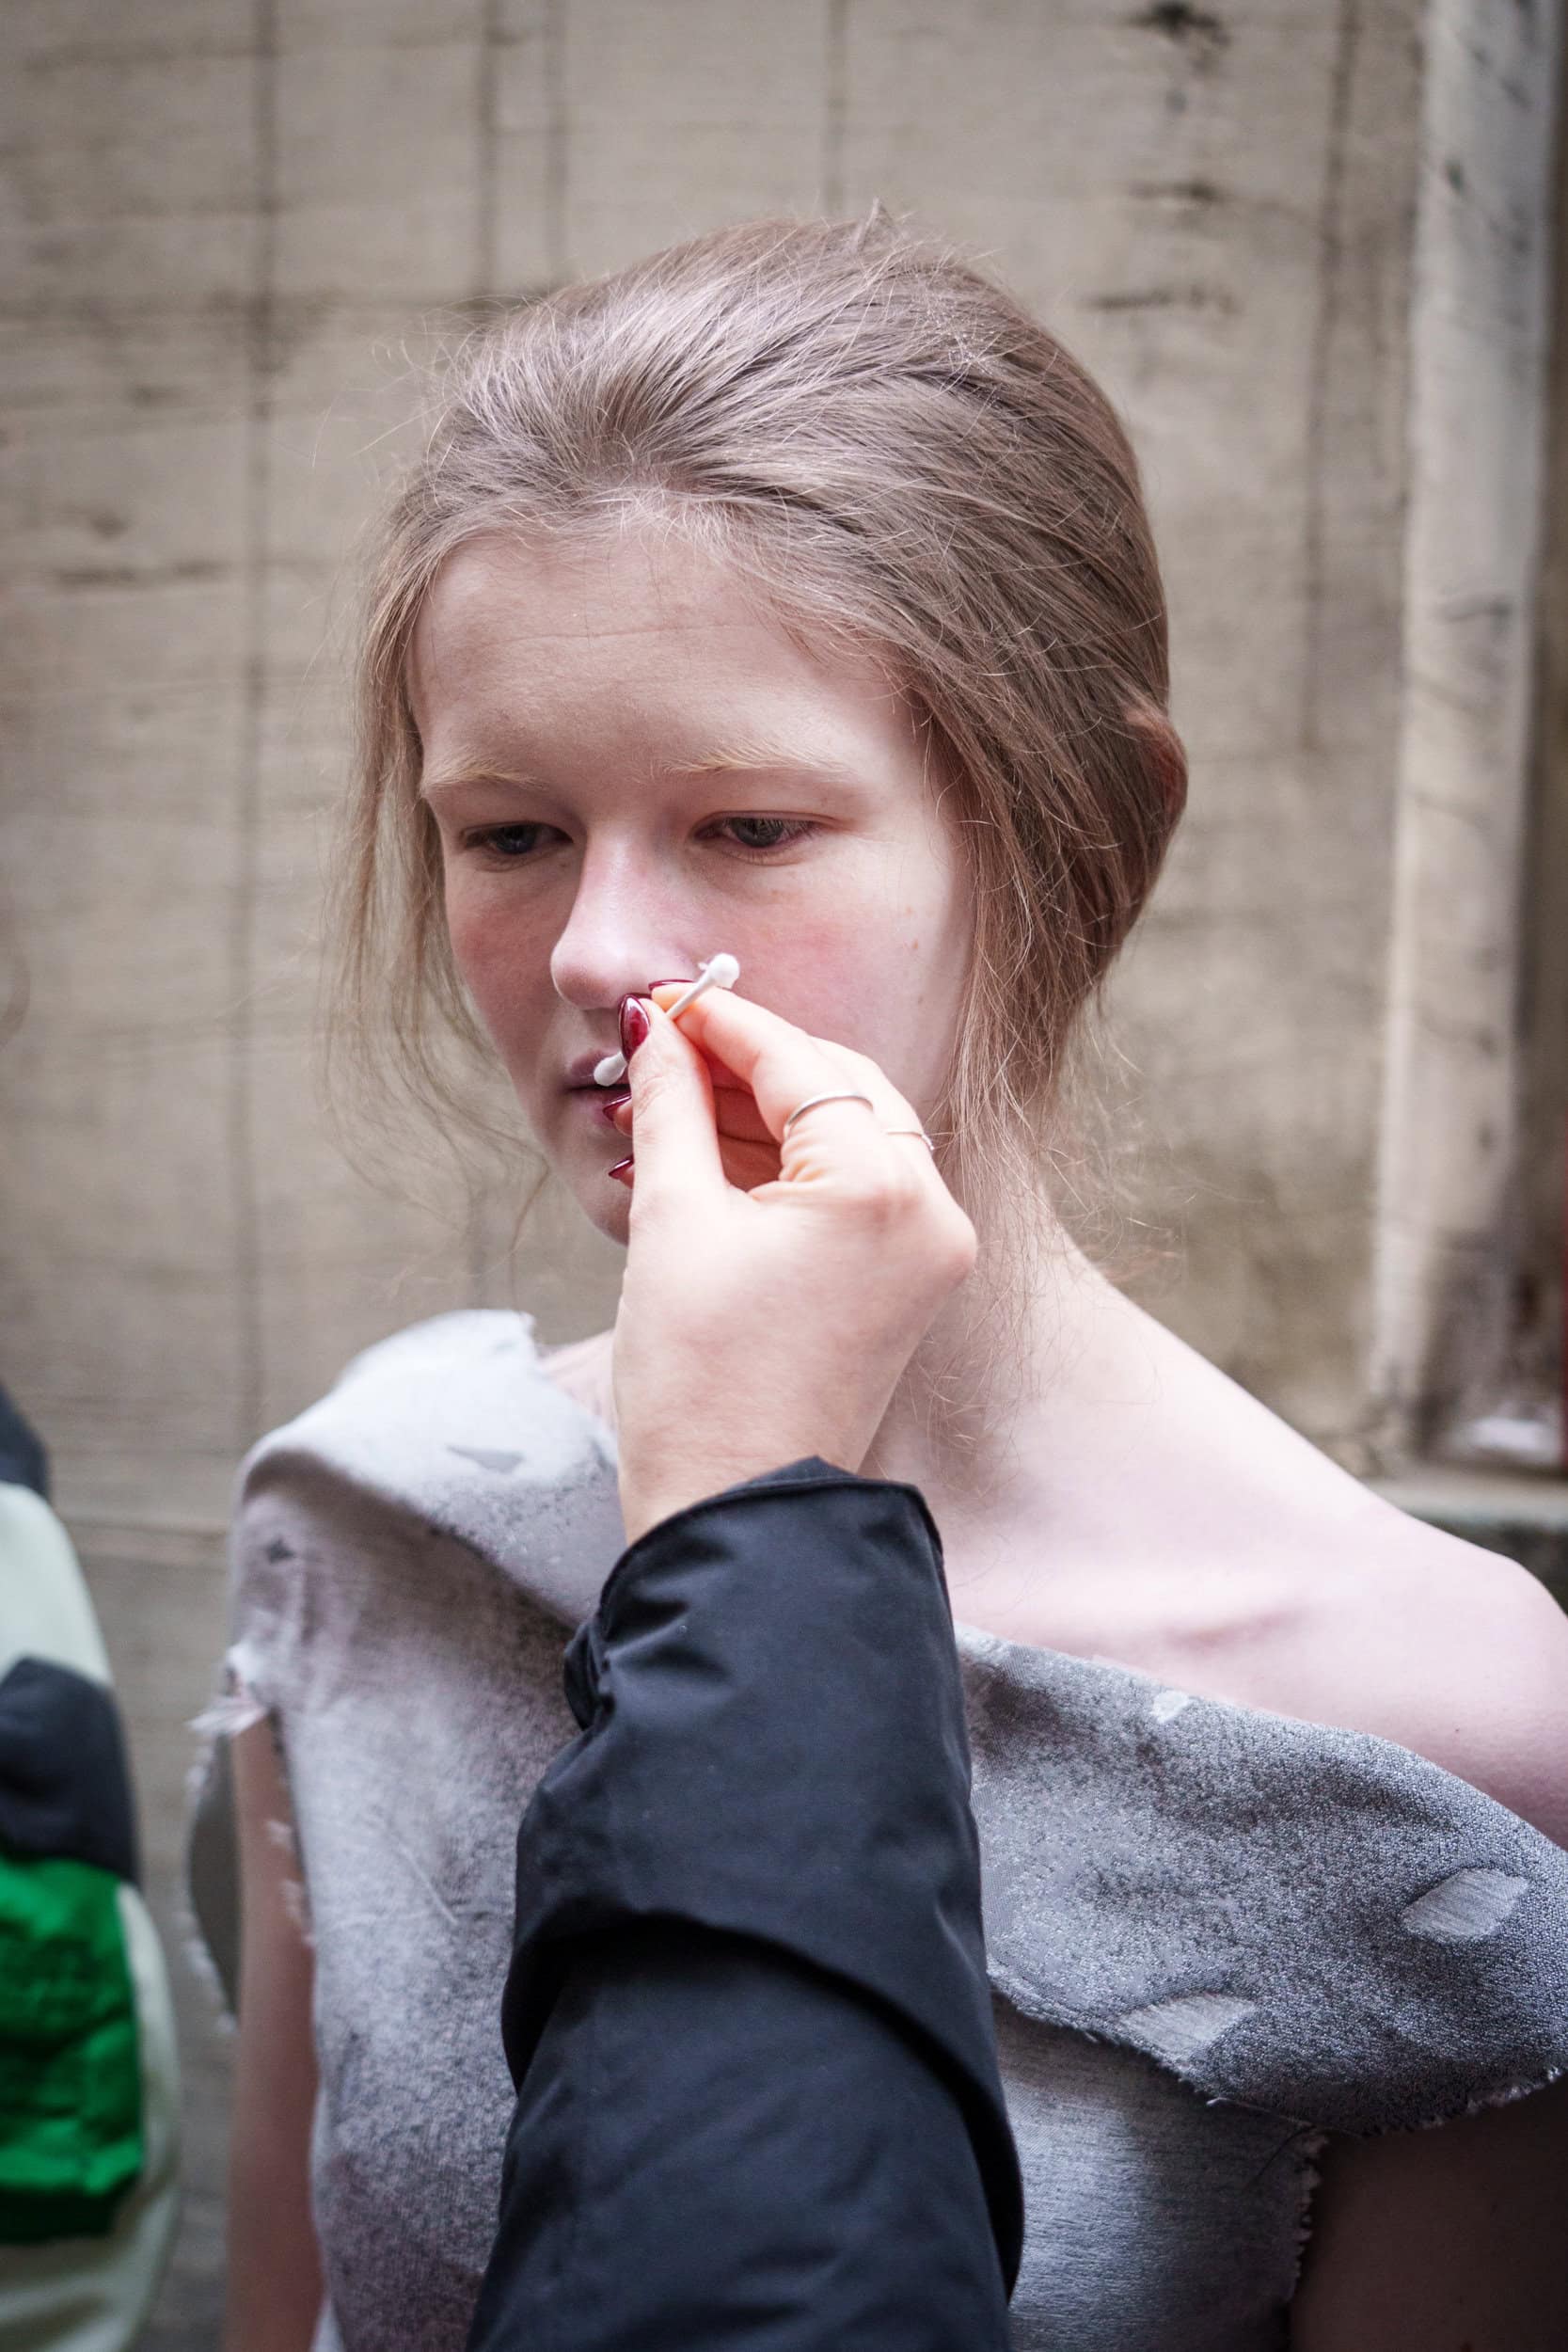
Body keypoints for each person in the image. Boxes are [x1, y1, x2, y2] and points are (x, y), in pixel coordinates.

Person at [198, 214, 1568, 2352]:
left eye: (748, 827)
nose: (597, 954)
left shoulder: (1446, 1729)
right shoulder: (379, 1514)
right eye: (511, 833)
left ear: (1083, 831)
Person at [466, 984, 1023, 2346]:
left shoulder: (1459, 1711)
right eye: (512, 864)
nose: (593, 952)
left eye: (758, 860)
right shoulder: (354, 1491)